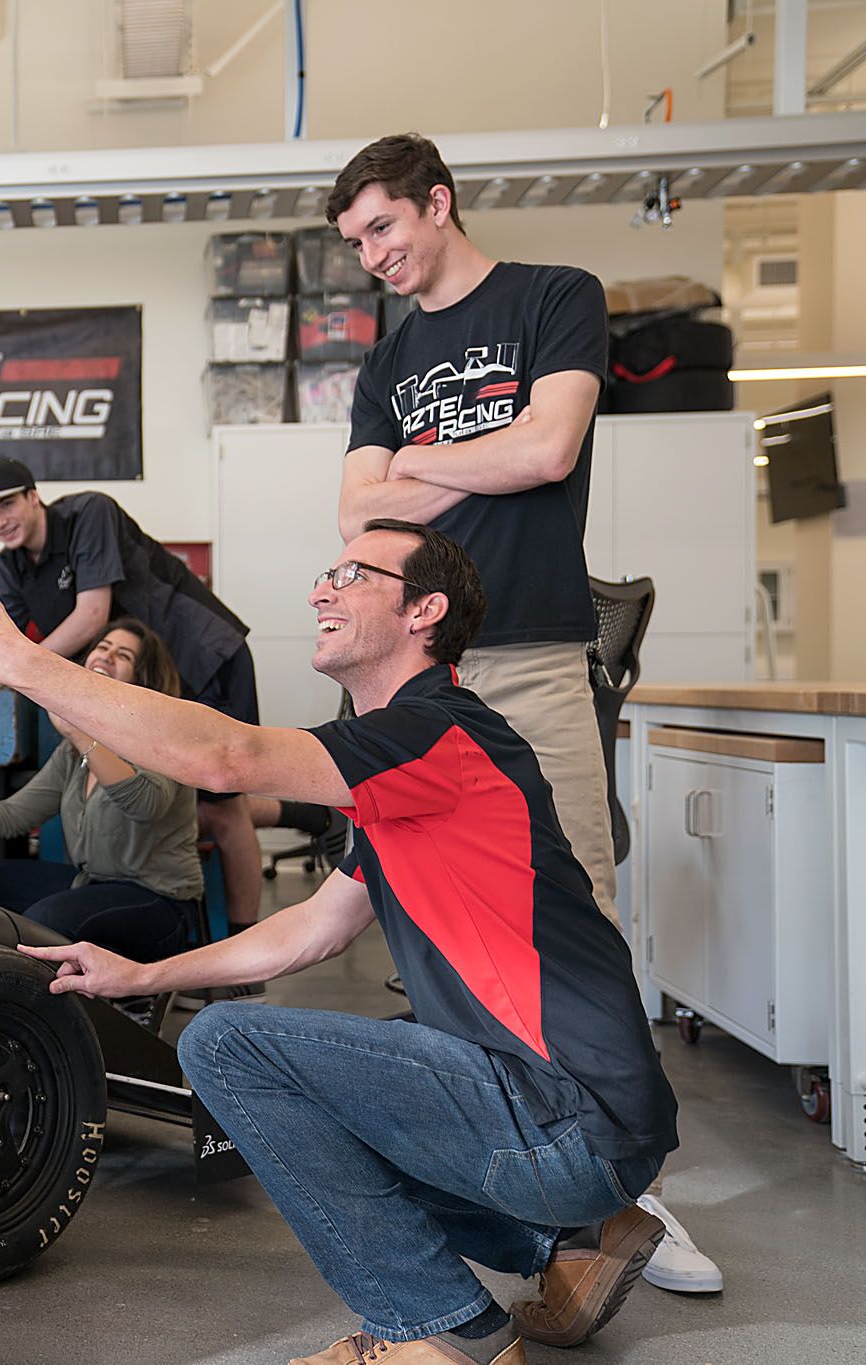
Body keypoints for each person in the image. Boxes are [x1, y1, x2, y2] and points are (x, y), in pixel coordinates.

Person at [0, 520, 678, 1365]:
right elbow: (316, 925)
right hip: (573, 1122)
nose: (320, 590)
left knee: (228, 1046)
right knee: (281, 1074)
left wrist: (21, 661)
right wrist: (143, 972)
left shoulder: (438, 734)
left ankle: (445, 1330)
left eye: (351, 574)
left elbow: (224, 756)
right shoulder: (411, 762)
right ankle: (567, 1243)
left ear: (426, 610)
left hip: (561, 1114)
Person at [329, 131, 720, 1296]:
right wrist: (475, 458)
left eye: (383, 229)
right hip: (415, 672)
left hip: (539, 654)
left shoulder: (555, 299)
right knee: (421, 926)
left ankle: (624, 1194)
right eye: (354, 244)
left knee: (577, 923)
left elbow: (551, 449)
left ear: (436, 204)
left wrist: (423, 465)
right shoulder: (385, 360)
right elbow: (357, 518)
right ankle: (498, 1184)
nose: (372, 258)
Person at [0, 457, 270, 947]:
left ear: (34, 495)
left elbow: (92, 616)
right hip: (136, 684)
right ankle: (304, 815)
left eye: (7, 504)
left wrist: (13, 665)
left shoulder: (88, 514)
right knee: (178, 803)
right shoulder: (11, 566)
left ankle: (246, 954)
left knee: (223, 804)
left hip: (201, 661)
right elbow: (1, 637)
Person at [0, 617, 203, 962]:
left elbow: (145, 805)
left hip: (161, 903)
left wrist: (79, 734)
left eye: (123, 655)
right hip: (93, 883)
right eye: (102, 647)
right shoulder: (75, 750)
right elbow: (12, 815)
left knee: (43, 923)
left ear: (143, 678)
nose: (105, 656)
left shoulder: (157, 735)